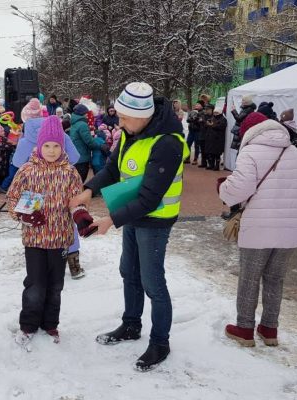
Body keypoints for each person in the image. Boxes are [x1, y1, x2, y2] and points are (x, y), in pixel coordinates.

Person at [70, 82, 189, 372]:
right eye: (119, 116)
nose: (119, 123)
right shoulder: (129, 133)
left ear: (144, 115)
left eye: (124, 117)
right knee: (129, 272)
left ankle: (160, 341)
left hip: (155, 220)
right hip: (133, 215)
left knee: (152, 281)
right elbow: (112, 168)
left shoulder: (168, 143)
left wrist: (110, 221)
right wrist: (88, 189)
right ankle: (131, 325)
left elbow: (150, 198)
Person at [219, 112, 297, 347]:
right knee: (275, 278)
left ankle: (244, 328)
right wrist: (292, 208)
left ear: (249, 132)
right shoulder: (294, 151)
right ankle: (269, 329)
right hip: (290, 229)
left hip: (258, 227)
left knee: (249, 278)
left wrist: (223, 190)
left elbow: (240, 188)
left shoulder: (250, 152)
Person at [6, 116, 94, 347]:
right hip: (34, 239)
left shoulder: (71, 173)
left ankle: (50, 323)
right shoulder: (27, 170)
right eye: (47, 145)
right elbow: (12, 198)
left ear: (62, 146)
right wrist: (22, 214)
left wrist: (81, 214)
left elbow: (77, 200)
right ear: (39, 146)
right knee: (35, 284)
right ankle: (28, 324)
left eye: (56, 146)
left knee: (55, 286)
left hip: (61, 239)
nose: (52, 150)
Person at [69, 103, 108, 182]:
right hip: (82, 156)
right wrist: (100, 146)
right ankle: (78, 193)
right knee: (81, 178)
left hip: (76, 154)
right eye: (86, 114)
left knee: (77, 179)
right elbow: (89, 141)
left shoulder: (75, 123)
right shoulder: (82, 125)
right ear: (82, 114)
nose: (87, 116)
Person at [203, 106, 227, 170]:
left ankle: (217, 166)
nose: (215, 114)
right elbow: (206, 125)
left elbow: (221, 127)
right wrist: (207, 123)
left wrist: (212, 125)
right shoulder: (212, 118)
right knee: (211, 153)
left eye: (216, 112)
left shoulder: (223, 119)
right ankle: (211, 165)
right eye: (214, 112)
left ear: (220, 112)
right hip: (210, 138)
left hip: (218, 139)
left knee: (217, 154)